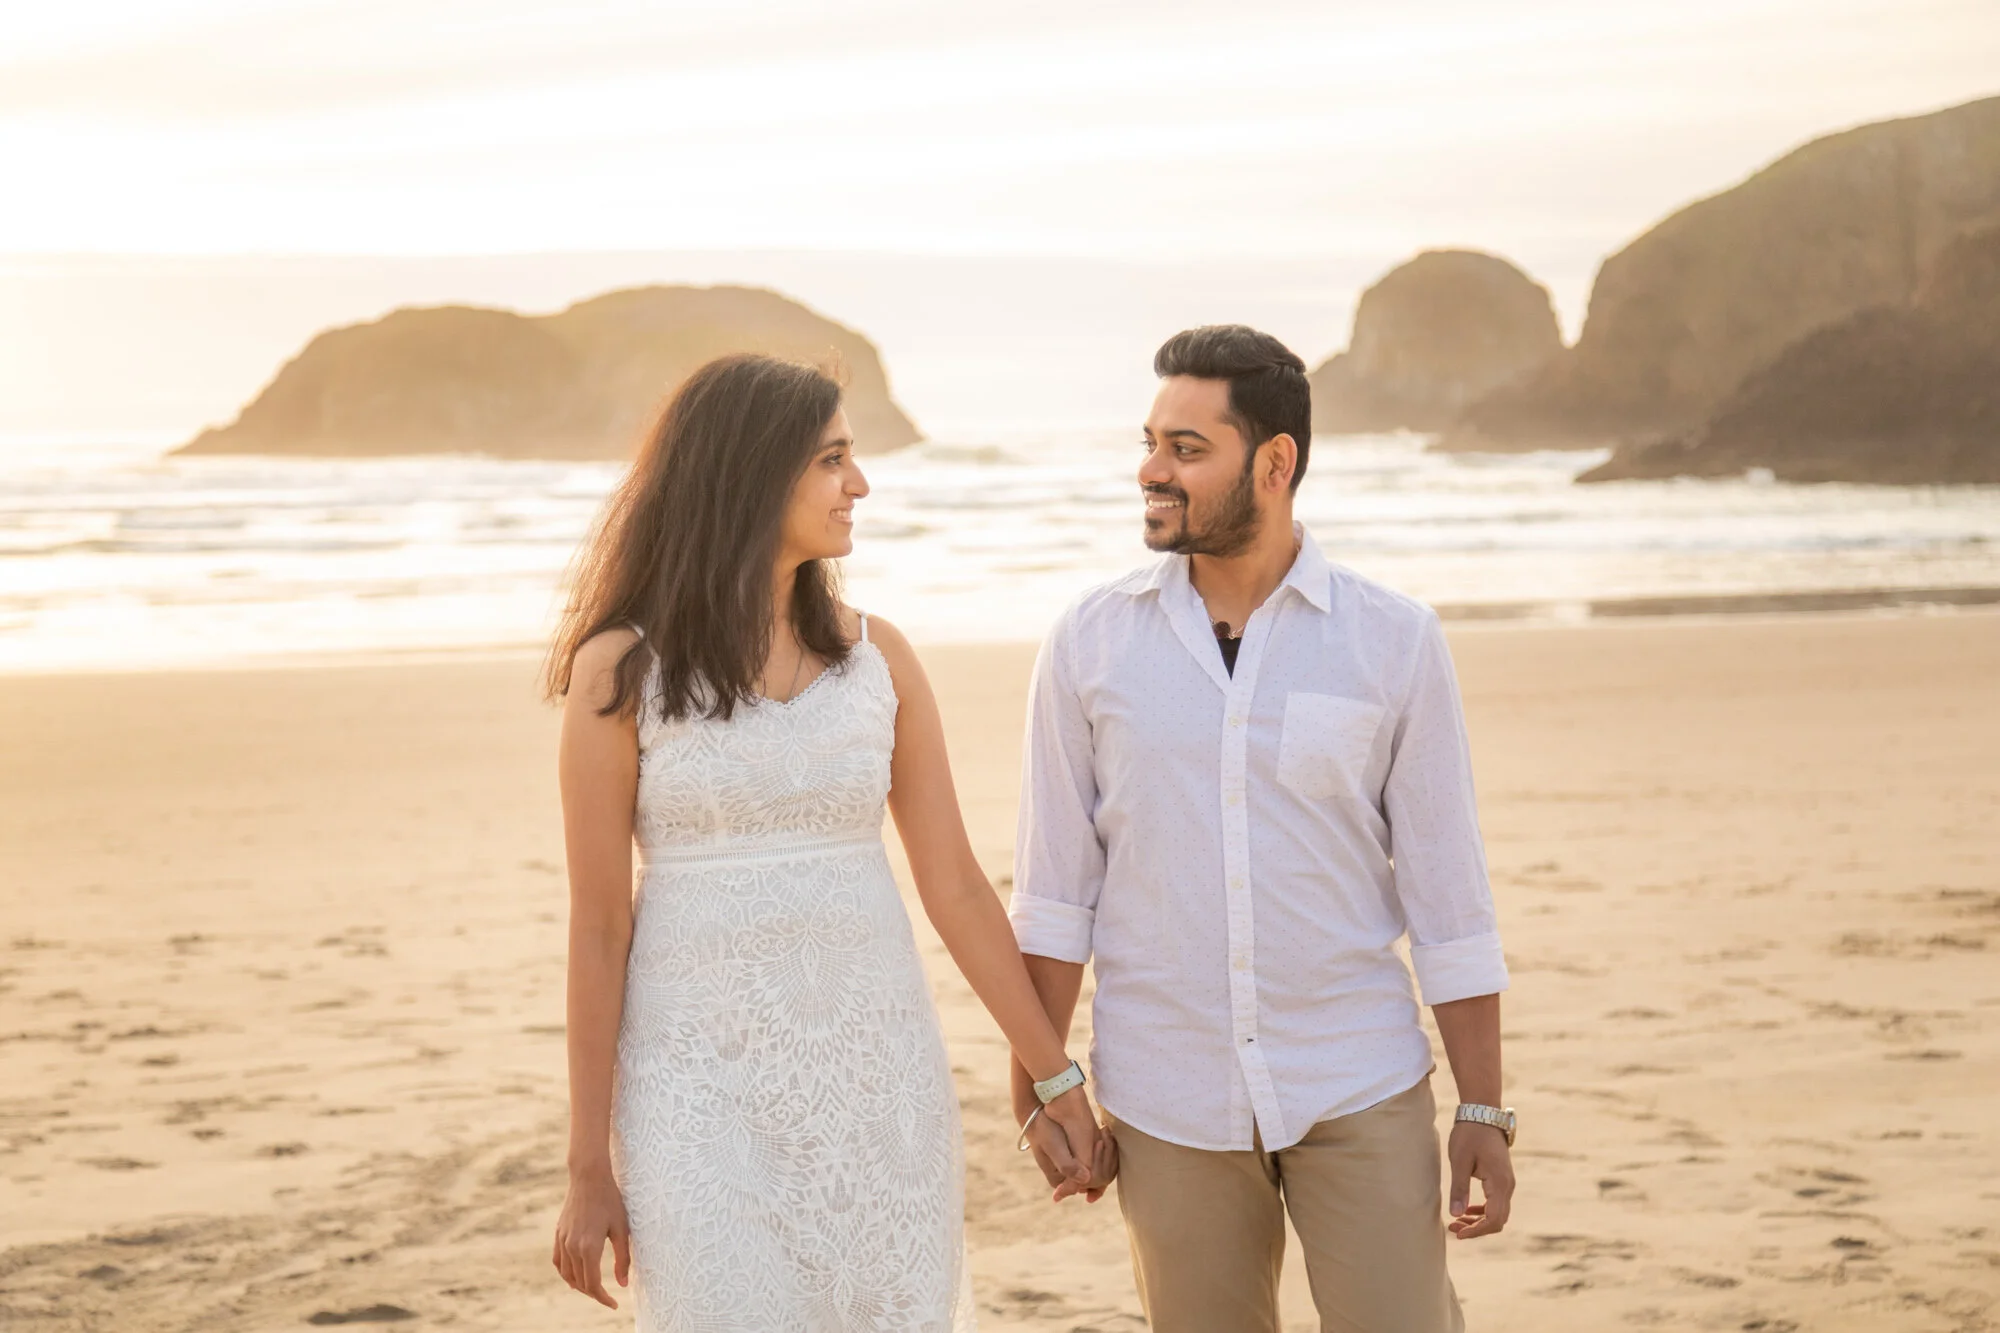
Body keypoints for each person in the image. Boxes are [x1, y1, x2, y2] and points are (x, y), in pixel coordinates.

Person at [544, 354, 1107, 1331]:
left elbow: (958, 888)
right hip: (698, 1094)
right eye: (832, 459)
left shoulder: (875, 658)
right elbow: (598, 928)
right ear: (753, 473)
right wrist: (588, 1166)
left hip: (877, 1084)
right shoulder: (620, 672)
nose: (859, 483)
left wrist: (1050, 1071)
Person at [1008, 326, 1515, 1332]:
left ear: (1274, 463)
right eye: (1151, 441)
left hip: (1353, 1081)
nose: (1150, 470)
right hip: (1167, 1099)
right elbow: (1056, 895)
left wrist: (1482, 1107)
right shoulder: (1088, 643)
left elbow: (1448, 897)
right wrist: (1037, 1088)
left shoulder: (1391, 640)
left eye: (1185, 449)